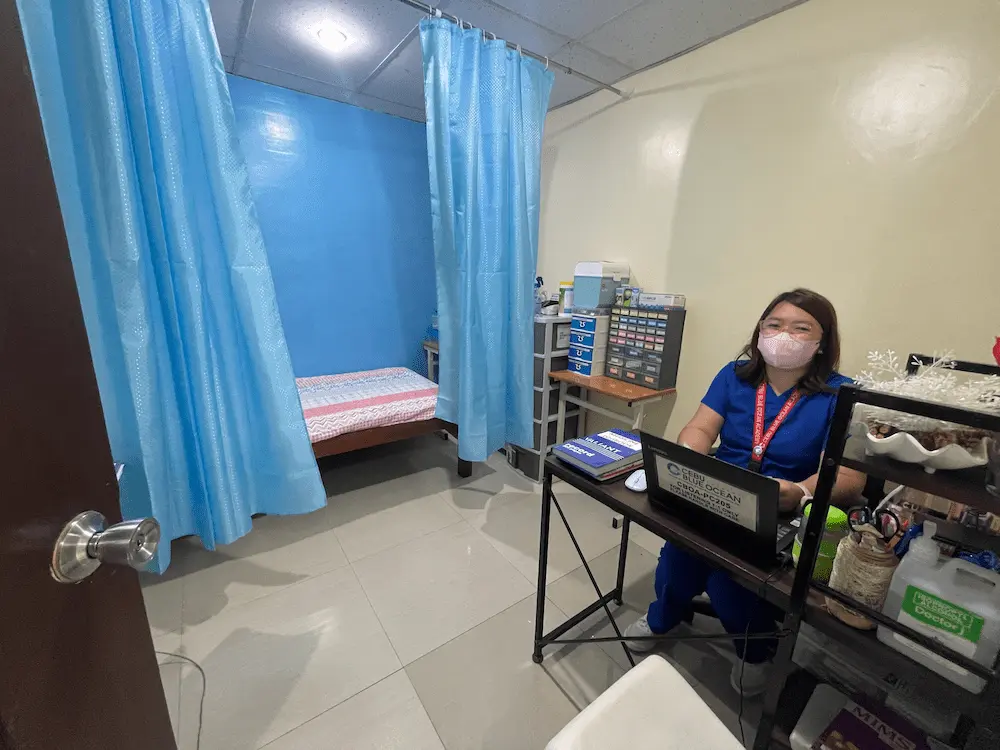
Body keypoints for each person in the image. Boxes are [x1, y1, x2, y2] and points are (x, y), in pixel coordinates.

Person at [624, 288, 865, 696]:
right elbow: (700, 428)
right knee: (677, 564)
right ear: (759, 331)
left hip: (783, 510)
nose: (784, 335)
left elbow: (850, 477)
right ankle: (661, 618)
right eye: (774, 324)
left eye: (801, 328)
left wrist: (801, 491)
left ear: (823, 342)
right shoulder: (734, 375)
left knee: (730, 585)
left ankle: (755, 653)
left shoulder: (840, 396)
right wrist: (689, 458)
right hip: (717, 493)